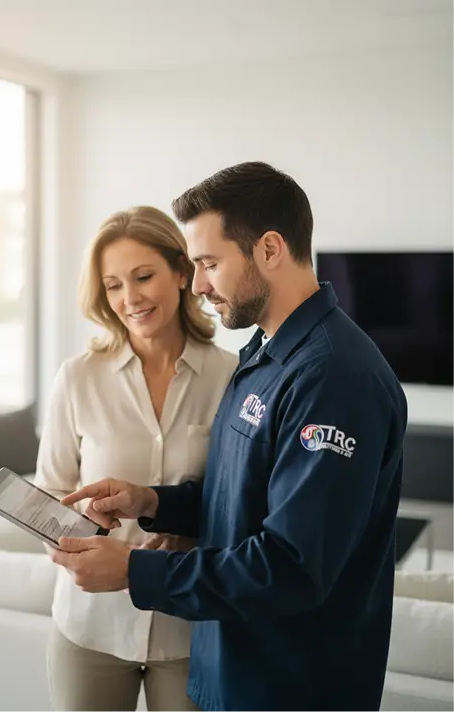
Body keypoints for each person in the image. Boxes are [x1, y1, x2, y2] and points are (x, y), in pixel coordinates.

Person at [53, 162, 408, 712]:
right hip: (234, 670)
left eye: (209, 263)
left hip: (291, 686)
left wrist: (133, 569)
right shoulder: (264, 358)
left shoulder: (334, 377)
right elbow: (239, 504)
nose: (197, 285)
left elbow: (291, 566)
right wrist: (152, 502)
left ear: (269, 249)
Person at [34, 205, 238, 712]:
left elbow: (240, 500)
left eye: (142, 276)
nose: (130, 298)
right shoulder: (78, 377)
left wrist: (187, 524)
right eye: (113, 285)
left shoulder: (233, 376)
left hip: (190, 630)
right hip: (90, 626)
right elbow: (49, 492)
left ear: (180, 271)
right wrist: (79, 520)